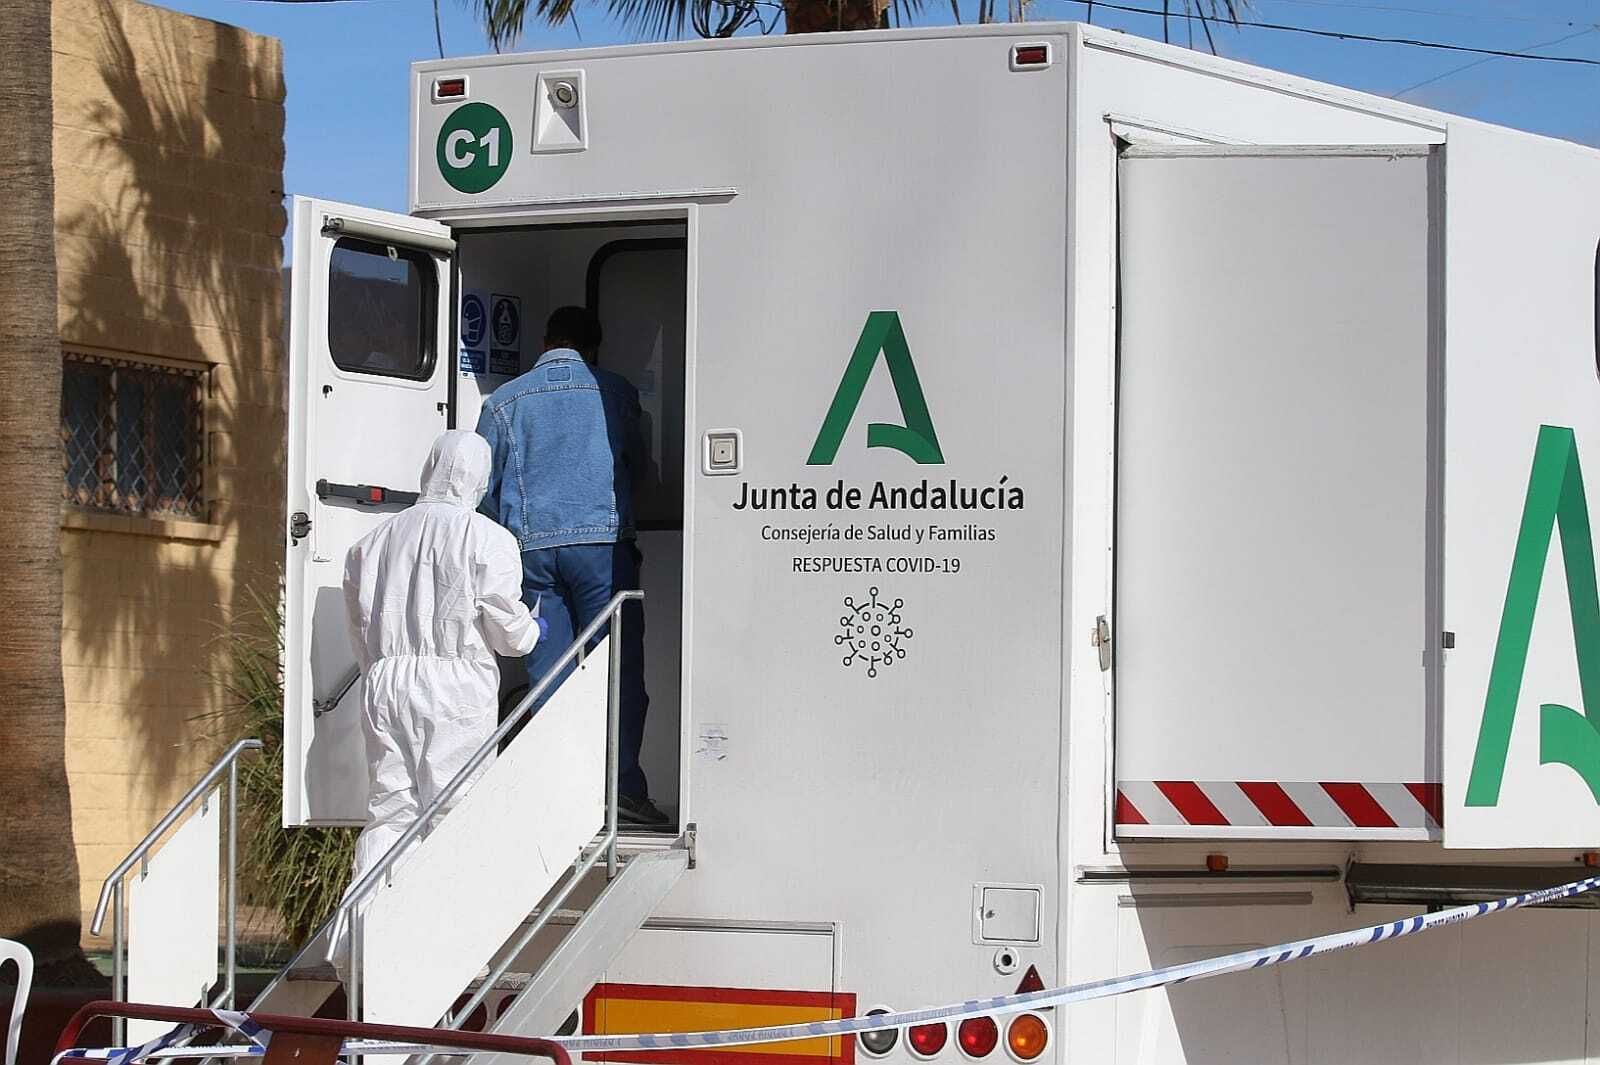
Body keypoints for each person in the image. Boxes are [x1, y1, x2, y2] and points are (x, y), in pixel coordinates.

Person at [476, 305, 667, 828]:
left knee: (549, 673)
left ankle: (558, 796)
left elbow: (483, 492)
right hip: (603, 551)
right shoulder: (616, 393)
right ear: (594, 347)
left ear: (545, 341)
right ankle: (622, 789)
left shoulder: (503, 402)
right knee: (619, 671)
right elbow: (643, 473)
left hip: (532, 556)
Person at [342, 430, 547, 886]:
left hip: (385, 682)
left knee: (390, 813)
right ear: (480, 478)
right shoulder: (487, 538)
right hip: (454, 688)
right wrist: (534, 627)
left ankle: (365, 938)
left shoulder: (372, 542)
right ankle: (447, 940)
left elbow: (359, 629)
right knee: (457, 810)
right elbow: (510, 635)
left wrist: (379, 670)